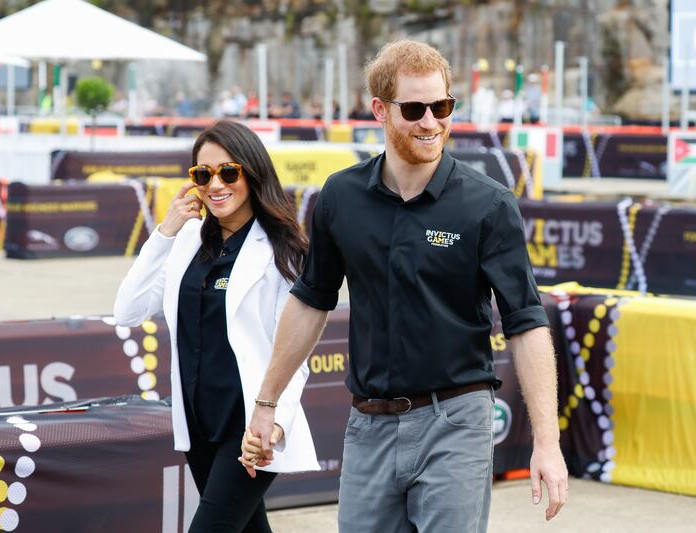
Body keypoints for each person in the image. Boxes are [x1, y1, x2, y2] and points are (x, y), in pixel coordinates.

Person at [242, 40, 568, 532]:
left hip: (456, 421)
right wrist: (267, 403)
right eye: (414, 109)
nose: (431, 122)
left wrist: (547, 442)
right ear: (380, 110)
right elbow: (310, 301)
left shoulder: (488, 204)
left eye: (442, 107)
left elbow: (526, 323)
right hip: (368, 425)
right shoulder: (340, 196)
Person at [114, 120, 319, 532]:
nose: (215, 185)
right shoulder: (187, 240)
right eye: (202, 174)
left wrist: (274, 423)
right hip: (197, 425)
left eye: (228, 172)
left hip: (249, 430)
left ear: (252, 172)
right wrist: (165, 232)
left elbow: (294, 352)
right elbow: (127, 311)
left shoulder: (283, 251)